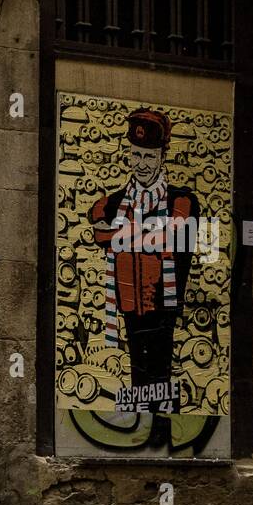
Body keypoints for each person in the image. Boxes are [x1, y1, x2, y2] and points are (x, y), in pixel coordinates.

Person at [88, 107, 199, 403]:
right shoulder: (111, 204)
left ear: (163, 157)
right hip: (129, 304)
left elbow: (173, 237)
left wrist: (123, 236)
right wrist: (147, 234)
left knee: (161, 375)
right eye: (136, 155)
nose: (142, 164)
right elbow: (100, 232)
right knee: (138, 375)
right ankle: (140, 428)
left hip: (164, 305)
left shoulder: (181, 200)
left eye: (149, 156)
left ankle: (160, 429)